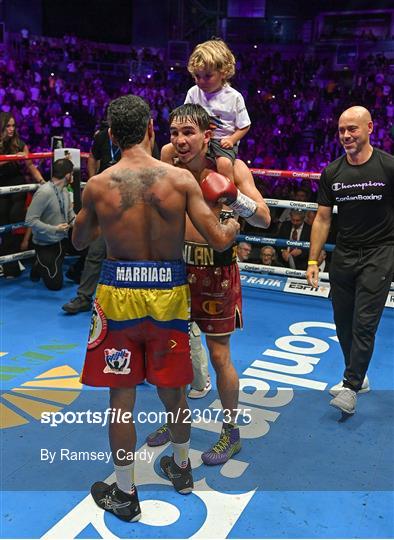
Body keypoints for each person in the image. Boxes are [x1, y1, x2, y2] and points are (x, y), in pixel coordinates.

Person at [72, 95, 239, 522]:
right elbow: (220, 240)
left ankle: (125, 493)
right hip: (168, 295)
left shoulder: (99, 184)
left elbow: (77, 241)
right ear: (150, 129)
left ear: (111, 135)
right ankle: (182, 468)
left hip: (117, 295)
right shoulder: (180, 181)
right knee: (175, 390)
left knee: (121, 400)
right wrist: (235, 220)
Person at [149, 103, 270, 464]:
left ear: (207, 136)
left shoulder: (230, 167)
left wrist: (234, 197)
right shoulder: (168, 163)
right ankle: (176, 422)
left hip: (217, 272)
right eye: (175, 133)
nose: (181, 140)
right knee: (171, 352)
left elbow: (264, 218)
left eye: (189, 133)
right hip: (176, 270)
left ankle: (230, 432)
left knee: (219, 356)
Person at [306, 106, 394, 415]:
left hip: (381, 252)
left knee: (364, 323)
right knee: (343, 322)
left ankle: (351, 385)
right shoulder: (333, 172)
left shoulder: (388, 167)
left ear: (370, 127)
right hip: (344, 253)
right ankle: (358, 375)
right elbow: (321, 219)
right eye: (342, 130)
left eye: (352, 129)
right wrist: (313, 262)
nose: (346, 135)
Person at [183, 37, 251, 183]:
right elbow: (184, 118)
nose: (201, 81)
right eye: (197, 76)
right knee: (167, 150)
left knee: (224, 164)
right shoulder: (193, 92)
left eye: (207, 76)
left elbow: (245, 125)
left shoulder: (234, 97)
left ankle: (228, 202)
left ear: (224, 72)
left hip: (221, 142)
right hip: (198, 140)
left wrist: (231, 140)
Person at [0, 112, 45, 278]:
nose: (11, 129)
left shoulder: (20, 143)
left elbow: (30, 165)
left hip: (17, 184)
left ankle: (11, 263)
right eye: (8, 126)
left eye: (13, 125)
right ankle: (8, 265)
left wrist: (42, 182)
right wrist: (11, 158)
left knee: (14, 217)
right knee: (3, 222)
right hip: (1, 185)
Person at [25, 158, 75, 290]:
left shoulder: (64, 190)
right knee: (55, 285)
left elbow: (70, 215)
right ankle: (38, 263)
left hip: (62, 240)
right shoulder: (44, 192)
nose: (73, 176)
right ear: (67, 175)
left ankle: (74, 271)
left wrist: (81, 224)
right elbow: (30, 220)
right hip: (45, 244)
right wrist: (54, 229)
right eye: (72, 173)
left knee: (91, 245)